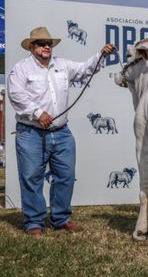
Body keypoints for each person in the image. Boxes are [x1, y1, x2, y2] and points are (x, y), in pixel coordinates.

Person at [7, 26, 115, 238]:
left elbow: (85, 69)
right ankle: (34, 222)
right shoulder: (21, 68)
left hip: (62, 132)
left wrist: (100, 54)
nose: (46, 46)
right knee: (31, 178)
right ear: (31, 46)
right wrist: (38, 112)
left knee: (65, 176)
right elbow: (15, 94)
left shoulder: (62, 65)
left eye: (49, 44)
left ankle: (60, 218)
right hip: (31, 132)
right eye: (41, 43)